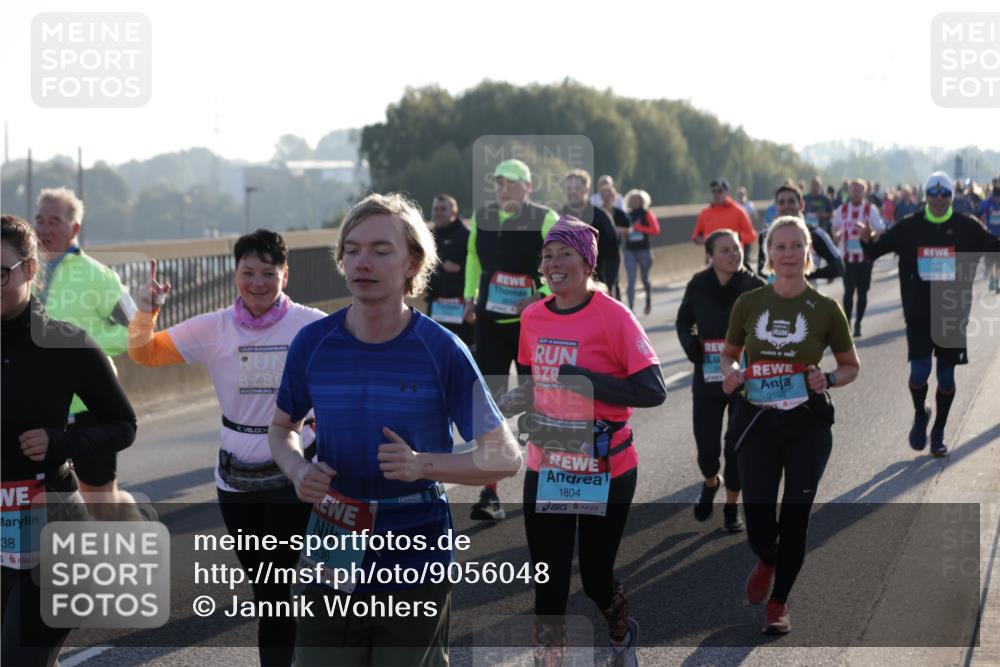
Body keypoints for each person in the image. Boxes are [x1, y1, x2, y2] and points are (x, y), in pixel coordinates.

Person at [269, 193, 521, 667]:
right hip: (333, 538)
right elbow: (282, 428)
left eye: (382, 250)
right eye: (353, 249)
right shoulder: (313, 343)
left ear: (413, 263)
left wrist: (424, 465)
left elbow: (505, 457)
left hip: (415, 542)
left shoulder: (441, 350)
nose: (363, 262)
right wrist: (296, 468)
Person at [128, 229, 324, 666]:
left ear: (285, 275)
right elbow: (145, 353)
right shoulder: (214, 327)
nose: (258, 283)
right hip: (237, 479)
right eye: (248, 272)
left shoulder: (310, 325)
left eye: (268, 273)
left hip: (296, 470)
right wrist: (147, 311)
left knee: (294, 585)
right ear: (235, 275)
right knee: (268, 591)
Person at [498, 215, 665, 667]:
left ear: (587, 262)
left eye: (564, 254)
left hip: (605, 466)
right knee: (548, 580)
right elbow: (534, 383)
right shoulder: (532, 316)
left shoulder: (614, 317)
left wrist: (587, 381)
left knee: (594, 579)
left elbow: (654, 390)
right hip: (549, 463)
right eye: (547, 255)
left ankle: (619, 632)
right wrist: (516, 399)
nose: (553, 263)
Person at [2, 215, 137, 667]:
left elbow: (123, 425)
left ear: (30, 271)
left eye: (1, 273)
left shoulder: (65, 343)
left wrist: (60, 442)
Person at [720, 215, 860, 635]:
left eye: (796, 245)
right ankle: (767, 556)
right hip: (758, 420)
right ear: (768, 255)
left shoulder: (826, 309)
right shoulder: (749, 303)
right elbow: (729, 355)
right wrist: (731, 372)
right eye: (779, 247)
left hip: (807, 425)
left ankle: (779, 601)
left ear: (808, 253)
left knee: (796, 516)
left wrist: (829, 378)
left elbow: (851, 366)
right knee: (760, 517)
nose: (788, 254)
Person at [860, 171, 1000, 456]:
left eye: (944, 194)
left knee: (946, 378)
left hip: (952, 314)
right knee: (920, 371)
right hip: (919, 313)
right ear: (926, 196)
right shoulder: (909, 227)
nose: (938, 199)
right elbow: (874, 251)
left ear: (951, 197)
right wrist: (866, 240)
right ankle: (920, 413)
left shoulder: (966, 227)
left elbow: (994, 248)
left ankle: (938, 431)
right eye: (933, 194)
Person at [462, 158, 559, 521]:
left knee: (541, 400)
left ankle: (549, 480)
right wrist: (470, 294)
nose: (503, 189)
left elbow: (559, 260)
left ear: (527, 186)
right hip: (490, 322)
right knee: (491, 403)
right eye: (499, 183)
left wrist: (543, 293)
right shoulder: (483, 217)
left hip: (532, 326)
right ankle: (490, 493)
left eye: (510, 183)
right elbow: (473, 257)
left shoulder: (545, 218)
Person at [33, 187, 139, 515]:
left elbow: (134, 329)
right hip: (39, 401)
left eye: (54, 221)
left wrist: (84, 343)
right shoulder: (20, 272)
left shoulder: (101, 276)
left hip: (89, 401)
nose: (44, 229)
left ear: (74, 228)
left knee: (98, 495)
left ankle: (119, 547)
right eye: (39, 220)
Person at [676, 230, 764, 532]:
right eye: (725, 250)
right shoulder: (698, 285)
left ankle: (731, 506)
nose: (733, 254)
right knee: (708, 451)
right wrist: (693, 349)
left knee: (735, 448)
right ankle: (712, 481)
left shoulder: (754, 287)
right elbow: (683, 322)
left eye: (736, 249)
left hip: (744, 381)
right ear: (710, 255)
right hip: (708, 379)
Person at [831, 179, 884, 337]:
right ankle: (847, 323)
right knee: (848, 291)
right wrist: (837, 236)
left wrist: (870, 234)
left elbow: (880, 229)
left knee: (863, 292)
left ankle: (858, 322)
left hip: (865, 258)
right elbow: (835, 228)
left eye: (859, 189)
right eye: (853, 189)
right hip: (847, 258)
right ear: (849, 191)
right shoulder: (842, 209)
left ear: (865, 191)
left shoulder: (870, 210)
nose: (856, 192)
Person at [562, 169, 622, 291]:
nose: (572, 192)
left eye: (577, 188)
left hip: (596, 285)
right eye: (569, 189)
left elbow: (613, 253)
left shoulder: (600, 216)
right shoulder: (557, 216)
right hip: (566, 285)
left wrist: (606, 284)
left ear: (586, 189)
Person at [425, 194, 473, 345]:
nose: (438, 212)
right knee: (436, 350)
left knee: (463, 350)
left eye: (443, 209)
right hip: (436, 305)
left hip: (461, 307)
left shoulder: (467, 236)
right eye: (435, 209)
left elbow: (481, 265)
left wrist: (460, 267)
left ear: (454, 212)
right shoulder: (426, 237)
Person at [692, 178, 757, 270]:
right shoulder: (705, 213)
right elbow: (695, 236)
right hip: (712, 261)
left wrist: (736, 238)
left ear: (727, 192)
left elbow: (751, 236)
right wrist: (700, 239)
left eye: (720, 191)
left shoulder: (738, 211)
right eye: (713, 191)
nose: (716, 194)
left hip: (734, 260)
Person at [622, 189, 661, 315]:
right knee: (631, 279)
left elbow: (655, 230)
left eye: (637, 199)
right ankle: (631, 308)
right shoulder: (626, 215)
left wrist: (640, 228)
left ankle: (648, 300)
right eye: (632, 200)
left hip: (644, 250)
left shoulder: (646, 214)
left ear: (642, 201)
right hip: (630, 251)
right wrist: (625, 232)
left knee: (644, 278)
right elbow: (622, 231)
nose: (635, 202)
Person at [974, 185, 1000, 293]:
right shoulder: (987, 203)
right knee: (991, 260)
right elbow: (977, 214)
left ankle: (995, 281)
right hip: (990, 236)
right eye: (997, 198)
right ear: (993, 196)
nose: (998, 200)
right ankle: (992, 279)